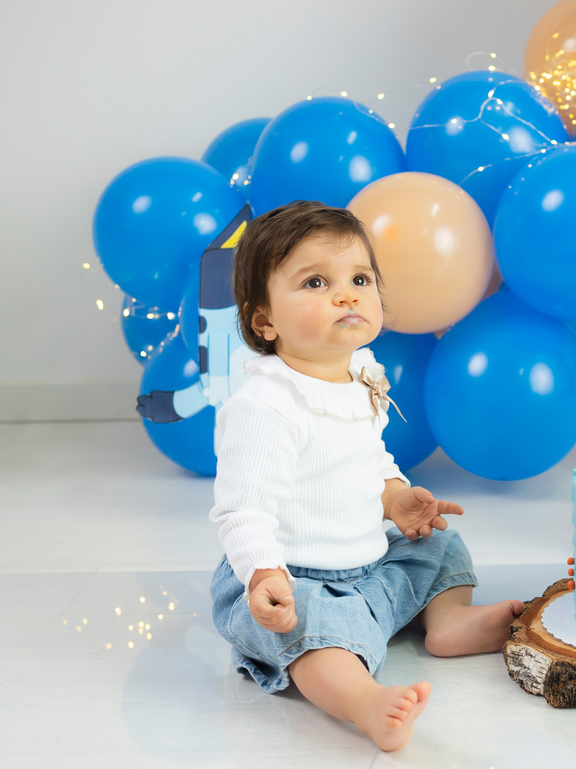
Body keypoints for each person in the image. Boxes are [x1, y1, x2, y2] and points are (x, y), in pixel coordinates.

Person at [208, 200, 523, 752]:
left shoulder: (361, 372)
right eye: (315, 282)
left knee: (438, 547)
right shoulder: (265, 405)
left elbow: (367, 458)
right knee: (312, 629)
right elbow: (244, 509)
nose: (347, 295)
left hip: (368, 563)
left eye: (360, 279)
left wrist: (396, 498)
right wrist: (263, 575)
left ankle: (448, 622)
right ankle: (362, 700)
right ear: (264, 321)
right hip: (293, 579)